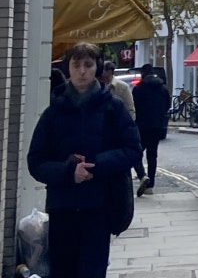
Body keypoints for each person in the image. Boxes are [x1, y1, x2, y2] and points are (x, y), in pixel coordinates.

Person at [27, 41, 141, 278]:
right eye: (76, 65)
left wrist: (96, 165)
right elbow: (36, 161)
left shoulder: (113, 108)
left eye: (88, 65)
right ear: (67, 68)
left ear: (96, 68)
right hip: (62, 208)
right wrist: (69, 171)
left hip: (99, 207)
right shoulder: (53, 112)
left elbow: (132, 149)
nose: (82, 71)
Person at [101, 61, 145, 183]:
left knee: (127, 156)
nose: (102, 73)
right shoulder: (98, 85)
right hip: (104, 131)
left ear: (110, 71)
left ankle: (141, 175)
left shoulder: (122, 87)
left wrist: (127, 126)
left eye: (104, 70)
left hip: (119, 130)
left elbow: (130, 108)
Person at [132, 64, 170, 196]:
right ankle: (150, 184)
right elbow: (167, 106)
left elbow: (134, 107)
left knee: (135, 153)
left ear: (143, 74)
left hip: (142, 127)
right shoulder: (163, 88)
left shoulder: (138, 89)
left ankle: (142, 176)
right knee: (152, 155)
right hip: (158, 126)